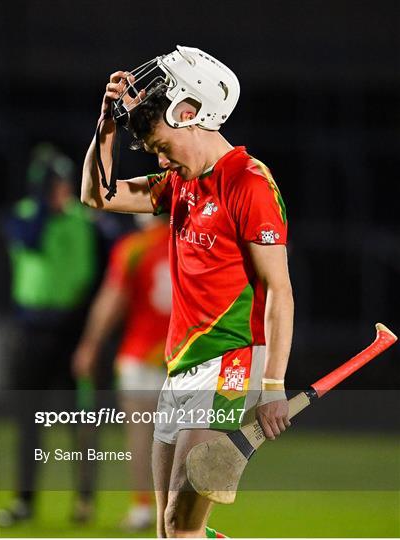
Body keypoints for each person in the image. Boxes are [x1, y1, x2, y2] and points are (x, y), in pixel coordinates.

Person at [81, 46, 294, 538]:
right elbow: (99, 194)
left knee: (182, 524)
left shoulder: (249, 183)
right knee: (168, 529)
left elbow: (279, 292)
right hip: (180, 366)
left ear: (191, 114)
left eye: (161, 144)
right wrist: (105, 128)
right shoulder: (181, 183)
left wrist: (274, 386)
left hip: (230, 365)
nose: (160, 158)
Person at [0, 143, 99, 527]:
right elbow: (31, 240)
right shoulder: (24, 217)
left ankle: (84, 500)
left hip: (69, 329)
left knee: (81, 419)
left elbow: (87, 277)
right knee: (28, 420)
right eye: (55, 184)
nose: (64, 190)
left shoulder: (80, 220)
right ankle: (24, 501)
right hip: (31, 330)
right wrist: (43, 204)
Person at [72, 214, 171, 530]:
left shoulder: (134, 247)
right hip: (186, 356)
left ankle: (143, 508)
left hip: (140, 356)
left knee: (141, 438)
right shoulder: (195, 241)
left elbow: (112, 300)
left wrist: (90, 344)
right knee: (183, 441)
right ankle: (178, 510)